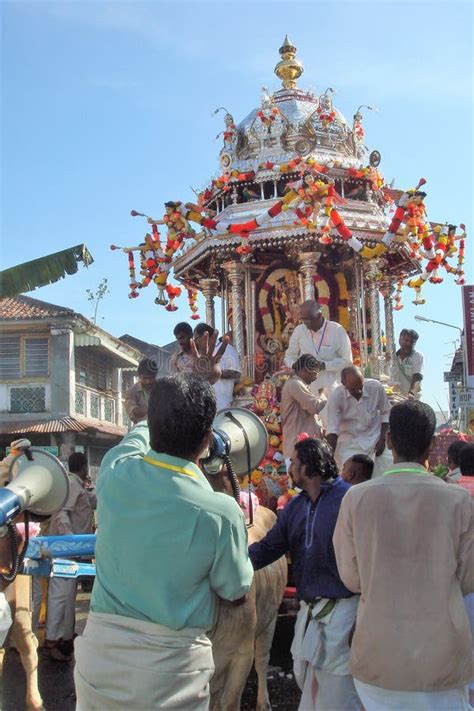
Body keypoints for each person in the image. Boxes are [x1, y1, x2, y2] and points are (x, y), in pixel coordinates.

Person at [74, 359, 253, 709]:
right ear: (206, 439)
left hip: (100, 661)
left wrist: (150, 421)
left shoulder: (113, 472)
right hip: (173, 675)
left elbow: (138, 436)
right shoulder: (221, 513)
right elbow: (235, 592)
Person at [333, 400, 473, 711]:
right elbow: (467, 579)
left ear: (390, 441)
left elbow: (352, 579)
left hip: (378, 658)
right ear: (432, 443)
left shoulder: (355, 498)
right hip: (443, 659)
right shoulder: (459, 501)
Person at [249, 438, 362, 711]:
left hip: (345, 612)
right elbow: (268, 549)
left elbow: (370, 559)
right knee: (304, 676)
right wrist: (231, 561)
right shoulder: (295, 508)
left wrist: (363, 618)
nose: (290, 469)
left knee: (336, 692)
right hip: (310, 613)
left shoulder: (350, 500)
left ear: (308, 467)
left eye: (295, 464)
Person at [44, 453, 96, 661]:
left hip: (72, 550)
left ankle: (65, 637)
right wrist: (70, 540)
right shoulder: (72, 485)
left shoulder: (76, 484)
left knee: (67, 594)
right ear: (84, 467)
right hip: (66, 549)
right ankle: (52, 640)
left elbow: (91, 502)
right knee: (60, 593)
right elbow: (62, 513)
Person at [284, 300, 352, 425]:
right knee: (308, 433)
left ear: (320, 316)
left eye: (309, 320)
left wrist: (324, 365)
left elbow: (347, 361)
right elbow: (289, 356)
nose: (306, 324)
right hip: (304, 390)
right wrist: (297, 367)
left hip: (330, 389)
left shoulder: (336, 330)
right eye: (304, 320)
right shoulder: (300, 330)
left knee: (332, 429)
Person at [326, 366, 391, 473]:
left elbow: (386, 413)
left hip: (376, 439)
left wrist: (382, 440)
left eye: (361, 386)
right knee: (351, 475)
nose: (359, 391)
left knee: (389, 467)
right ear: (343, 383)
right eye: (353, 389)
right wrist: (329, 456)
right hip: (350, 444)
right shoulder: (336, 396)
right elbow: (333, 429)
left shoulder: (376, 387)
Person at [280, 354, 327, 470]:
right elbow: (314, 407)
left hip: (305, 450)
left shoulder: (299, 383)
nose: (316, 378)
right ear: (305, 370)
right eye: (314, 374)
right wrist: (323, 395)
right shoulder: (295, 384)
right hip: (298, 452)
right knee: (300, 487)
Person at [194, 322, 241, 409]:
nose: (195, 342)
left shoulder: (227, 349)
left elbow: (237, 374)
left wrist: (217, 373)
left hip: (222, 406)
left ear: (205, 336)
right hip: (204, 406)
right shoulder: (200, 356)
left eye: (196, 338)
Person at [124, 357, 157, 424]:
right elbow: (133, 411)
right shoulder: (132, 391)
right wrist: (155, 411)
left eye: (151, 378)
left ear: (155, 376)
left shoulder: (162, 389)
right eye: (145, 378)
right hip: (141, 429)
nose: (148, 381)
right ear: (139, 376)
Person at [392, 328, 424, 398]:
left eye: (412, 342)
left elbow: (418, 376)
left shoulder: (417, 356)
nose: (408, 344)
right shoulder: (393, 357)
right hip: (394, 397)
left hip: (410, 398)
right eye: (406, 340)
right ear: (400, 340)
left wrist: (411, 393)